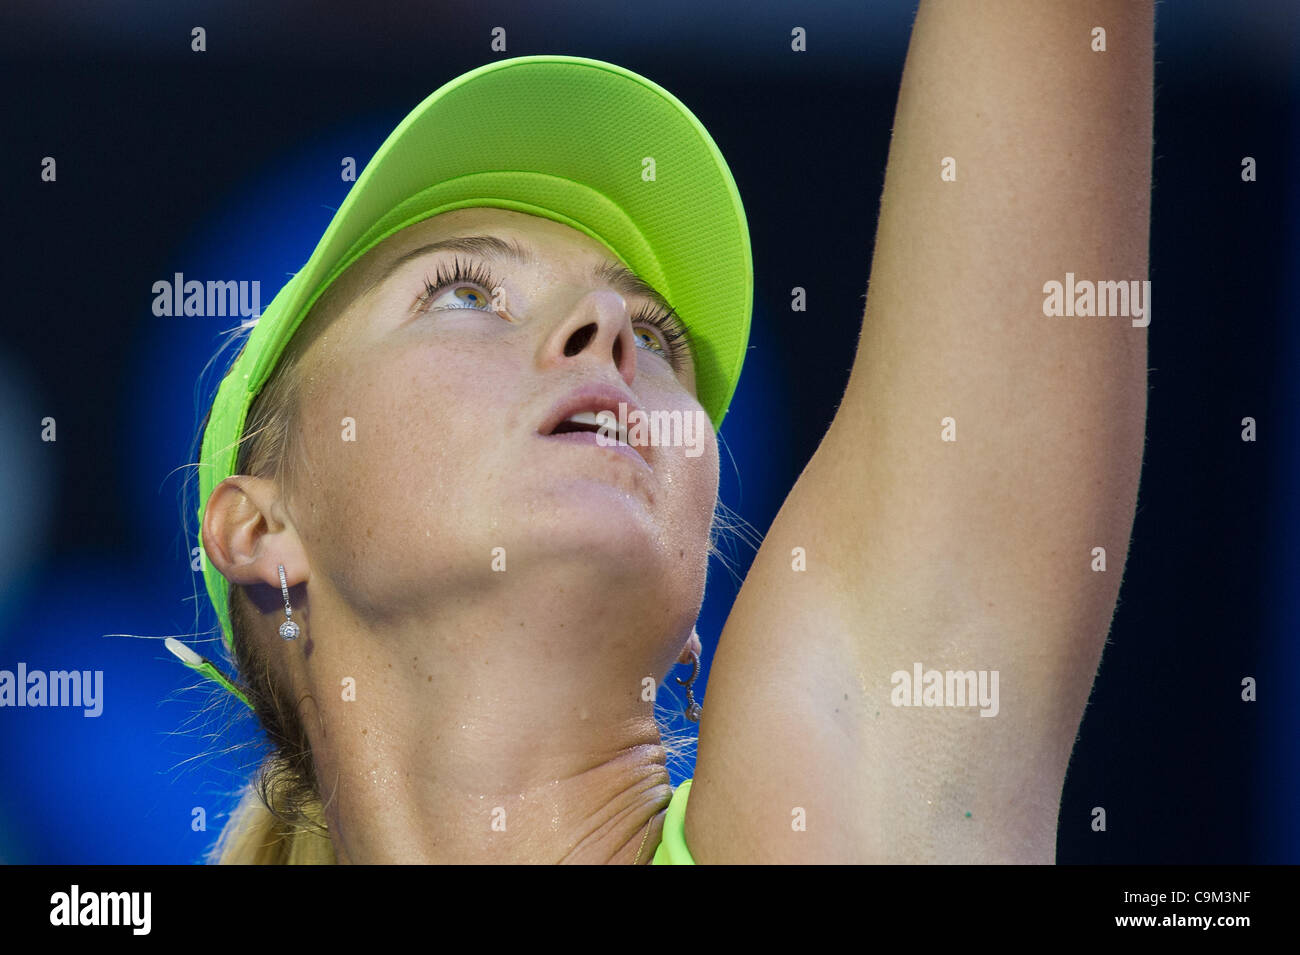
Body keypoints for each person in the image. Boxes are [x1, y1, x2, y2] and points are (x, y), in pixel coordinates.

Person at [185, 0, 1154, 864]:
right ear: (262, 530)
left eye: (652, 335)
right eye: (466, 292)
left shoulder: (825, 820)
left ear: (690, 635)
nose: (606, 333)